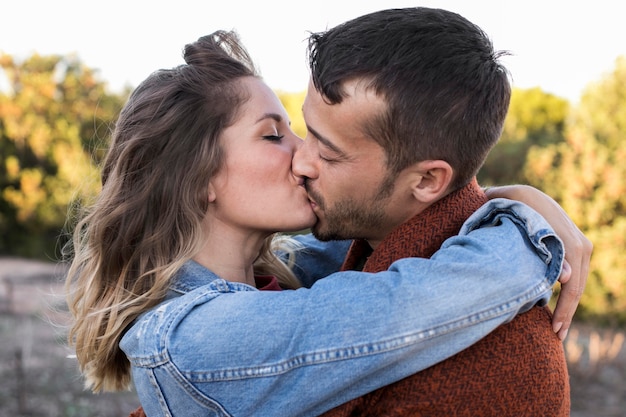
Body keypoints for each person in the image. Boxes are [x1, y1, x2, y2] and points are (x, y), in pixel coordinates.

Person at [64, 31, 587, 417]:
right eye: (275, 135)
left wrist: (505, 199)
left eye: (310, 138)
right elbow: (401, 306)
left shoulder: (300, 272)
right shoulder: (189, 339)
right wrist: (527, 233)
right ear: (197, 177)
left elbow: (409, 247)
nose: (302, 157)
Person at [291, 7, 580, 416]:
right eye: (306, 131)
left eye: (328, 152)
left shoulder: (488, 370)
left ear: (427, 181)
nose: (300, 163)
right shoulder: (352, 257)